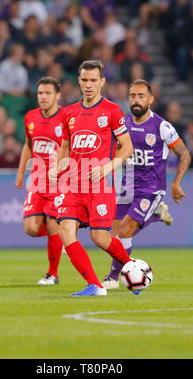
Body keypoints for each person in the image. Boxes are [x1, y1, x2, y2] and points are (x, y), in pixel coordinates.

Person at [49, 60, 134, 297]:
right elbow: (65, 146)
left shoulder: (112, 111)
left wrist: (109, 167)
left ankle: (130, 265)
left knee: (100, 238)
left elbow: (126, 147)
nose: (88, 85)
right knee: (66, 230)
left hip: (101, 184)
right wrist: (58, 165)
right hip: (73, 184)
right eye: (84, 80)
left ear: (102, 82)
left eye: (93, 80)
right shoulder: (69, 113)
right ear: (79, 81)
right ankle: (95, 286)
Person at [102, 79, 191, 289]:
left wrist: (176, 183)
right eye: (132, 95)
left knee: (124, 232)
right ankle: (157, 215)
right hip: (127, 187)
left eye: (141, 96)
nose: (136, 100)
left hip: (151, 189)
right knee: (113, 237)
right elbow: (114, 152)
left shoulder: (161, 126)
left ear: (151, 99)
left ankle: (113, 277)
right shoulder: (122, 125)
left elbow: (185, 154)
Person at [15, 77, 64, 286]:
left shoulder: (65, 118)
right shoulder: (31, 117)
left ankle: (52, 274)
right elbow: (28, 144)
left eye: (47, 93)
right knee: (31, 229)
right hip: (36, 181)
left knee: (53, 224)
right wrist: (20, 172)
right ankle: (61, 233)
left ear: (57, 95)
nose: (43, 97)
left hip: (60, 182)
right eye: (40, 93)